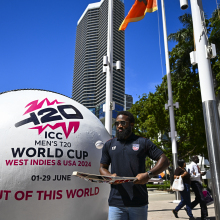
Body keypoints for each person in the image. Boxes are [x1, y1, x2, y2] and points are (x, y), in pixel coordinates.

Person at [100, 111, 170, 220]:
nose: (119, 126)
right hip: (116, 202)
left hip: (139, 202)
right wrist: (109, 176)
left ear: (131, 124)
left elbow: (164, 160)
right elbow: (102, 168)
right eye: (117, 123)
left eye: (123, 123)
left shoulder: (143, 142)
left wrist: (148, 175)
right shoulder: (109, 144)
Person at [188, 155, 209, 220]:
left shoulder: (195, 165)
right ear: (193, 159)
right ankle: (204, 216)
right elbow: (190, 175)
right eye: (197, 158)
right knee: (202, 199)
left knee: (199, 199)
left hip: (198, 183)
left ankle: (189, 207)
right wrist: (200, 174)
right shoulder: (191, 165)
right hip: (195, 183)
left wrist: (200, 173)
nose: (198, 159)